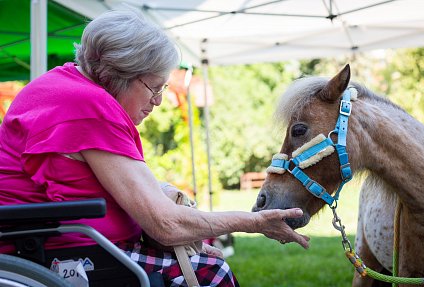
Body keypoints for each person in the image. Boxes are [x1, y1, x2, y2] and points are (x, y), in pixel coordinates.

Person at [0, 9, 309, 286]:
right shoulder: (88, 107)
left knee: (198, 257)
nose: (159, 100)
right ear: (116, 75)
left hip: (43, 239)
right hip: (60, 250)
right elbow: (165, 225)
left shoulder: (61, 84)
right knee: (211, 271)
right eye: (154, 87)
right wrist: (253, 222)